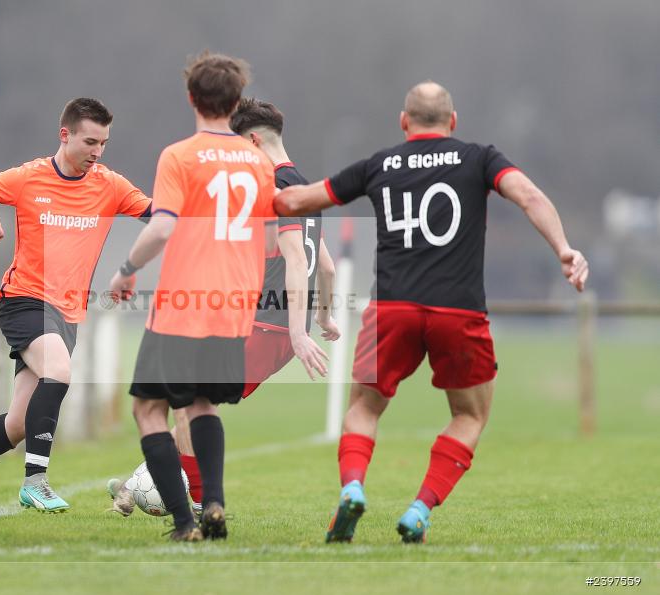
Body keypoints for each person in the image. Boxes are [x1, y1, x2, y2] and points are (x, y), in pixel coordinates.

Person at [276, 81, 589, 544]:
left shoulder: (378, 164)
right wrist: (563, 249)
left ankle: (353, 489)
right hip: (457, 311)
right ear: (453, 121)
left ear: (404, 122)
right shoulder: (480, 157)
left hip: (392, 310)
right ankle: (420, 509)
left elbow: (296, 200)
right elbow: (530, 196)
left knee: (364, 407)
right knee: (469, 415)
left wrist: (250, 183)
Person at [0, 97, 151, 517]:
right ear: (65, 135)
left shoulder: (109, 185)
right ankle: (35, 482)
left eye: (104, 144)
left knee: (19, 425)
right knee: (58, 372)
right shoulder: (29, 178)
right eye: (90, 142)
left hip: (68, 313)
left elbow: (159, 214)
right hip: (24, 300)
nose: (97, 153)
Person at [107, 97, 340, 517]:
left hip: (266, 327)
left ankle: (194, 501)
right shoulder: (305, 188)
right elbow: (326, 265)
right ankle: (144, 485)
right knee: (187, 403)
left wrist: (301, 331)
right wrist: (321, 316)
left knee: (187, 405)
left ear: (252, 141)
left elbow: (298, 260)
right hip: (281, 331)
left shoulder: (274, 187)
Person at [108, 53, 279, 542]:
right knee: (203, 405)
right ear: (235, 101)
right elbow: (268, 241)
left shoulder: (179, 156)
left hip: (185, 303)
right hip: (234, 307)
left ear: (191, 98)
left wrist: (126, 270)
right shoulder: (257, 160)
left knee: (148, 409)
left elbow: (162, 226)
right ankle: (216, 504)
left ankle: (186, 523)